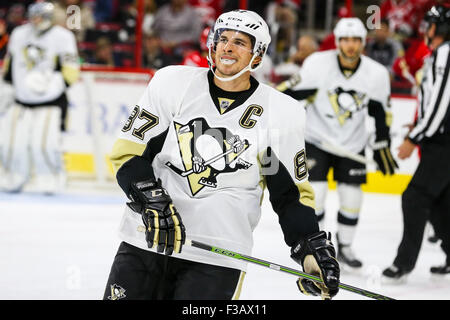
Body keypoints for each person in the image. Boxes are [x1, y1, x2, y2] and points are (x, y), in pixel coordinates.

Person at [103, 9, 340, 300]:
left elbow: (289, 195)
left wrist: (307, 246)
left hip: (217, 256)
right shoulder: (172, 84)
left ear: (258, 55)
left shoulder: (281, 112)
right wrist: (148, 197)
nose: (227, 47)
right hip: (147, 239)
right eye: (222, 38)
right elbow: (128, 153)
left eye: (241, 42)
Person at [277, 17, 398, 270]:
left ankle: (346, 246)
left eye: (355, 40)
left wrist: (382, 141)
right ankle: (318, 246)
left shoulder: (376, 74)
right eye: (345, 39)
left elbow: (380, 112)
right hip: (317, 140)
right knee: (316, 195)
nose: (350, 46)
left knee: (352, 197)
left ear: (363, 43)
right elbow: (287, 91)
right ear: (337, 41)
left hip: (352, 144)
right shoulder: (318, 64)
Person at [382, 5, 450, 282]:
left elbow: (441, 105)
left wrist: (415, 137)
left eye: (430, 24)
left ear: (438, 28)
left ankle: (404, 263)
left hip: (443, 143)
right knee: (439, 203)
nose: (425, 29)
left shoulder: (445, 54)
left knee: (415, 198)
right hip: (440, 138)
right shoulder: (439, 54)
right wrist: (421, 125)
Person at [0, 2, 79, 194]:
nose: (36, 21)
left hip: (49, 103)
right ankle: (12, 179)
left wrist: (51, 84)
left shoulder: (63, 37)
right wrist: (8, 88)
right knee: (10, 144)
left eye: (40, 17)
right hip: (20, 100)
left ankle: (52, 181)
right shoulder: (19, 34)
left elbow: (71, 72)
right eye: (33, 17)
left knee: (44, 146)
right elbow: (10, 64)